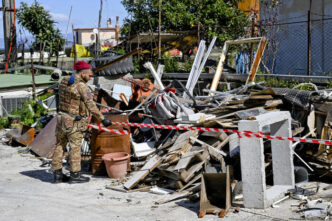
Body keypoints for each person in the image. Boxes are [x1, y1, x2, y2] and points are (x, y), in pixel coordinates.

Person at [52, 61, 112, 184]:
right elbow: (91, 104)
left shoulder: (65, 80)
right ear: (83, 73)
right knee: (75, 147)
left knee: (59, 145)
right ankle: (75, 175)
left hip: (61, 118)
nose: (91, 77)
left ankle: (57, 175)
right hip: (73, 120)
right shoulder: (81, 86)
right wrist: (102, 119)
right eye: (89, 75)